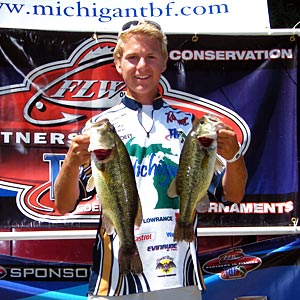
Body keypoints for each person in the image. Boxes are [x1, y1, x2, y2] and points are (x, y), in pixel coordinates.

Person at [54, 20, 247, 299]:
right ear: (118, 63)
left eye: (151, 57)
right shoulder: (99, 128)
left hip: (180, 275)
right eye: (132, 57)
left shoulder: (190, 126)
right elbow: (63, 204)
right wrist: (71, 163)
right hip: (116, 276)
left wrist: (234, 156)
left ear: (164, 62)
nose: (141, 66)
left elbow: (234, 194)